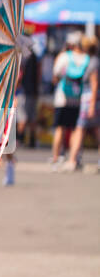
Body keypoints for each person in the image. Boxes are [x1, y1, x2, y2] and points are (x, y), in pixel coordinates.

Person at [50, 31, 91, 170]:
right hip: (79, 98)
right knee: (75, 129)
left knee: (60, 128)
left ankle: (55, 159)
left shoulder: (64, 57)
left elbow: (55, 75)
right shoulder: (87, 58)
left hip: (62, 97)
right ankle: (74, 158)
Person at [65, 34, 98, 172]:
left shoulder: (92, 62)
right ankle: (74, 159)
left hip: (89, 100)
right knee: (93, 130)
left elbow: (94, 84)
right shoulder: (92, 60)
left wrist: (91, 105)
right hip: (90, 99)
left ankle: (73, 159)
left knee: (80, 129)